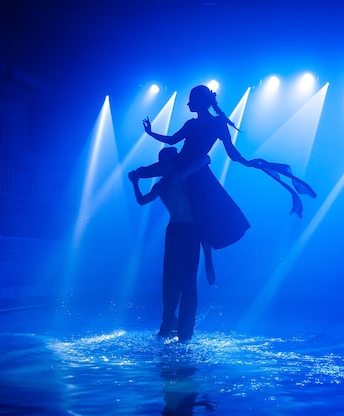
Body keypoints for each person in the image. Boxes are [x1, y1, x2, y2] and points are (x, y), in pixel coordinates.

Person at [132, 85, 316, 252]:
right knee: (142, 174)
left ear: (200, 102)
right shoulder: (193, 124)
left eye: (191, 100)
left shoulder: (217, 123)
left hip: (195, 167)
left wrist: (247, 162)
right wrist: (150, 132)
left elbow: (231, 151)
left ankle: (203, 246)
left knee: (203, 208)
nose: (188, 104)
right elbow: (173, 140)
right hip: (184, 163)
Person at [129, 146, 215, 342]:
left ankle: (177, 327)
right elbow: (201, 159)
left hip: (182, 231)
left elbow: (142, 200)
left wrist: (136, 182)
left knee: (182, 281)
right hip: (182, 231)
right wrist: (205, 158)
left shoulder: (167, 182)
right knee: (175, 281)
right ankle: (173, 326)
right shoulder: (174, 179)